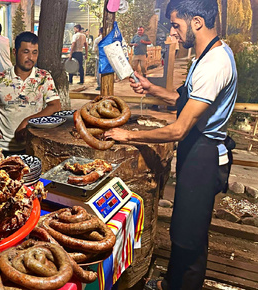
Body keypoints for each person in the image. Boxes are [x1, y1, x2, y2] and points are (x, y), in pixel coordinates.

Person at [105, 1, 237, 289]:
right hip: (196, 150)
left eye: (177, 25)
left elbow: (178, 128)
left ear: (198, 22)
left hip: (206, 154)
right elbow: (184, 102)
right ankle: (170, 283)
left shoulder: (215, 64)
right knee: (185, 225)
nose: (173, 33)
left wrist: (128, 136)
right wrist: (152, 89)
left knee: (190, 233)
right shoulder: (205, 56)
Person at [0, 32, 61, 155]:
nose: (31, 57)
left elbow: (55, 105)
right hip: (1, 147)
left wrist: (27, 121)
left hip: (33, 145)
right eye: (26, 52)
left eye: (34, 52)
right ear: (15, 52)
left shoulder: (43, 77)